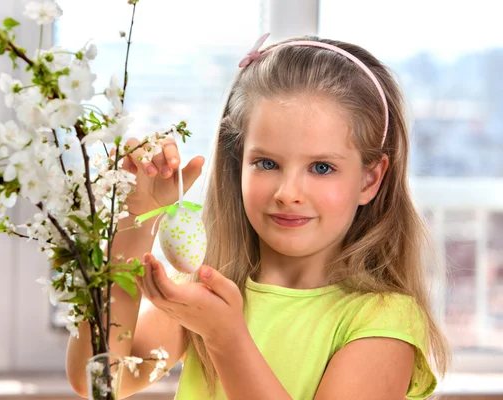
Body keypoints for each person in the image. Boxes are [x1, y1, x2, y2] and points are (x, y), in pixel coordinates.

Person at [66, 34, 450, 400]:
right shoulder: (206, 288)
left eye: (321, 168)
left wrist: (226, 338)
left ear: (370, 178)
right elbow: (99, 379)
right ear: (238, 164)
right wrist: (136, 220)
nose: (288, 193)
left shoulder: (383, 320)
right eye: (266, 163)